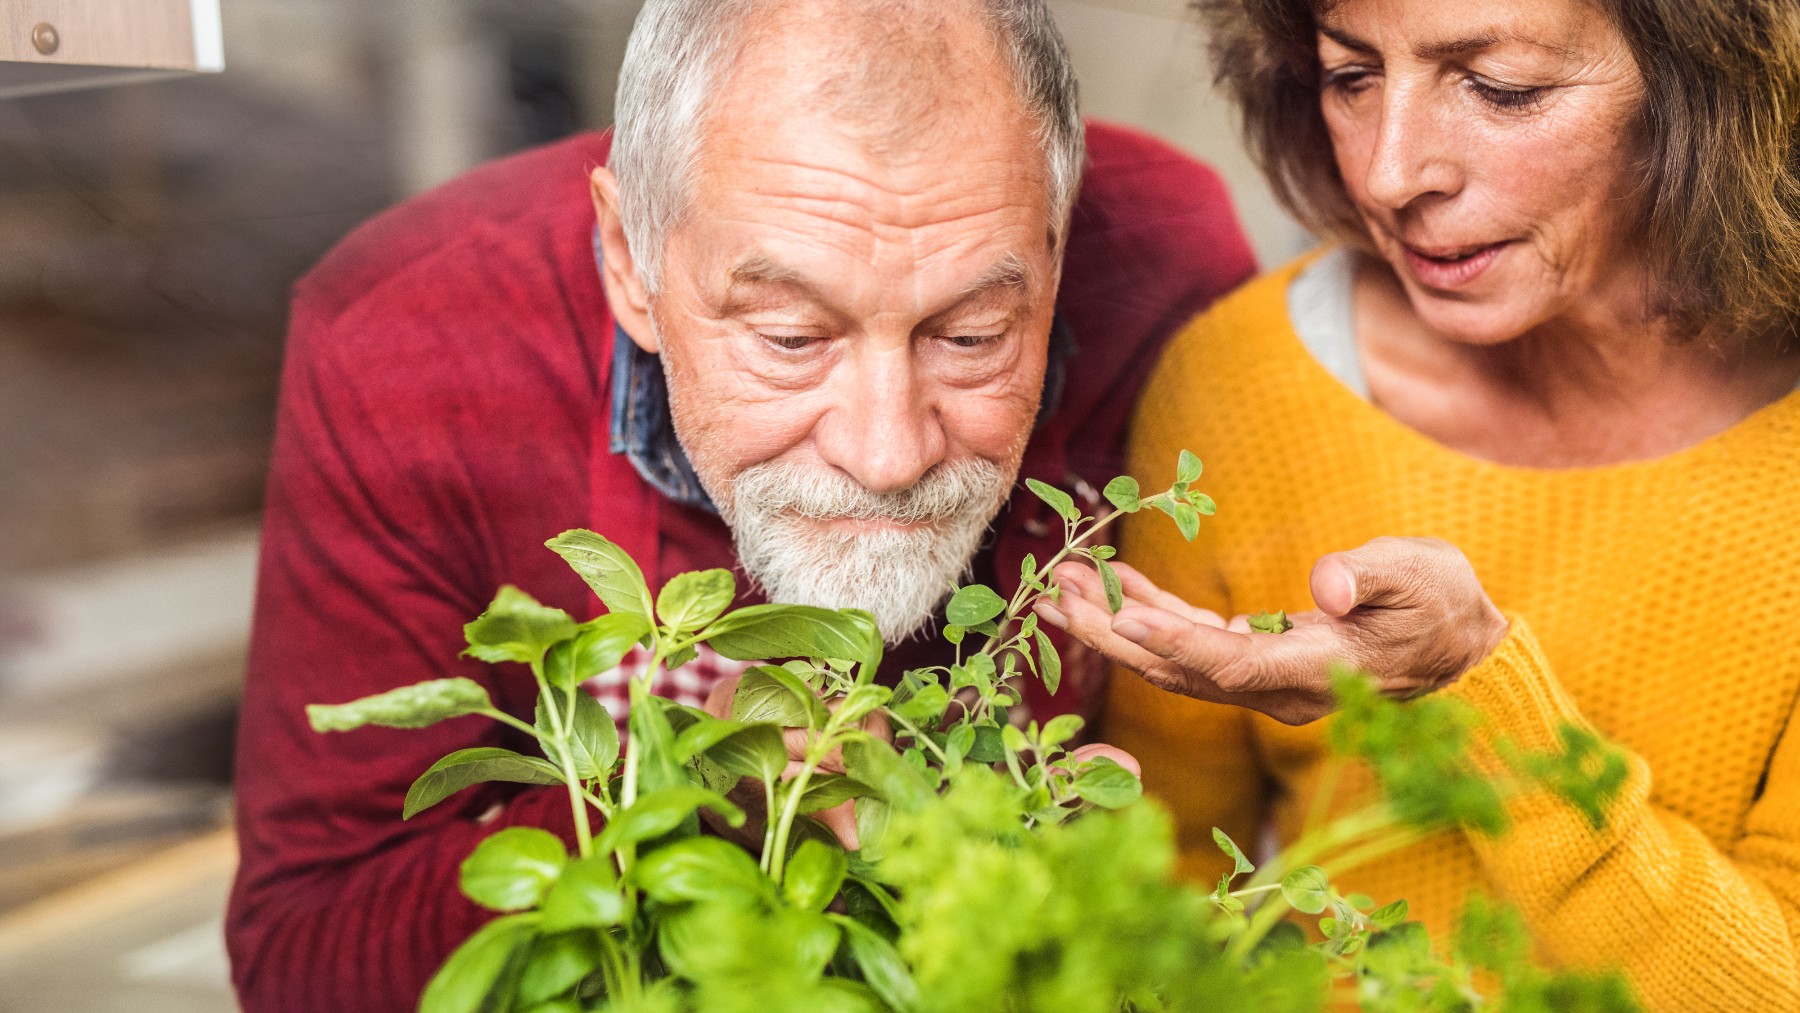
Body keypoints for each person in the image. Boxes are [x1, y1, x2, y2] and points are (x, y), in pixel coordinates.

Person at [225, 0, 1255, 1009]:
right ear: (630, 259)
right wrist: (698, 786)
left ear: (1058, 249)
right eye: (792, 338)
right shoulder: (407, 340)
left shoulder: (1168, 266)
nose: (887, 454)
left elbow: (1215, 826)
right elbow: (305, 949)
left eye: (973, 336)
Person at [1040, 0, 1800, 1007]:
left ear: (1709, 88)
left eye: (1500, 88)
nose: (1392, 173)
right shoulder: (1242, 382)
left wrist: (1480, 688)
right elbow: (1155, 891)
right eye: (1350, 76)